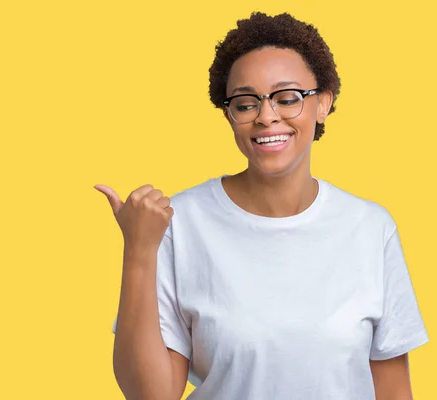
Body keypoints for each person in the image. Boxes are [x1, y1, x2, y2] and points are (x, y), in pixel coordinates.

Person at [95, 11, 429, 400]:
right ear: (229, 114)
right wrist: (138, 250)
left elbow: (393, 391)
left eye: (288, 98)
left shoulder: (371, 228)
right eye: (245, 103)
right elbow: (150, 396)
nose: (266, 116)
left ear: (323, 103)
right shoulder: (179, 223)